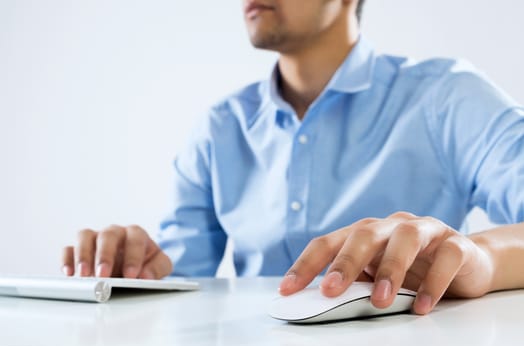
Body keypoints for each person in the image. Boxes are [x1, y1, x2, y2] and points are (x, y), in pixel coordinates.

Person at [62, 0, 524, 315]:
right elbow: (181, 277)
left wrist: (476, 258)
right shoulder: (221, 125)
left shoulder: (447, 97)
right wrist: (135, 270)